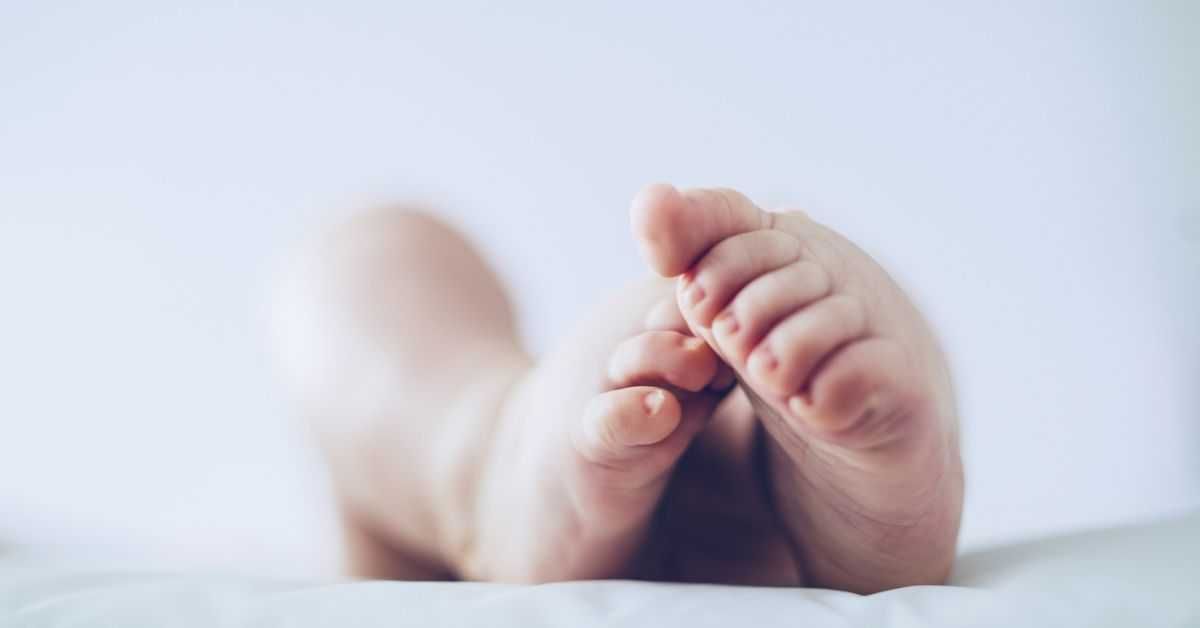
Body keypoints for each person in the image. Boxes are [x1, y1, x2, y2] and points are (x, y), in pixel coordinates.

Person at [272, 184, 963, 593]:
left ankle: (487, 460)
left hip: (496, 524)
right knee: (381, 246)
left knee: (369, 251)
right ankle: (807, 443)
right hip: (738, 523)